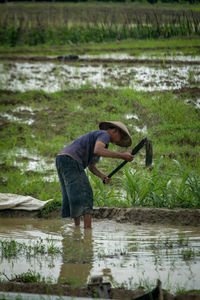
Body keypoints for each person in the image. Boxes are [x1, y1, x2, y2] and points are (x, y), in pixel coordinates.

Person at [56, 121, 134, 229]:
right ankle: (88, 229)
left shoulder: (98, 139)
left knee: (73, 194)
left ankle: (76, 228)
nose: (118, 141)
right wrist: (122, 156)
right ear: (115, 131)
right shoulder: (104, 135)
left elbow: (91, 166)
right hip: (71, 160)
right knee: (86, 194)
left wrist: (102, 176)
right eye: (120, 137)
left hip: (61, 159)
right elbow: (98, 150)